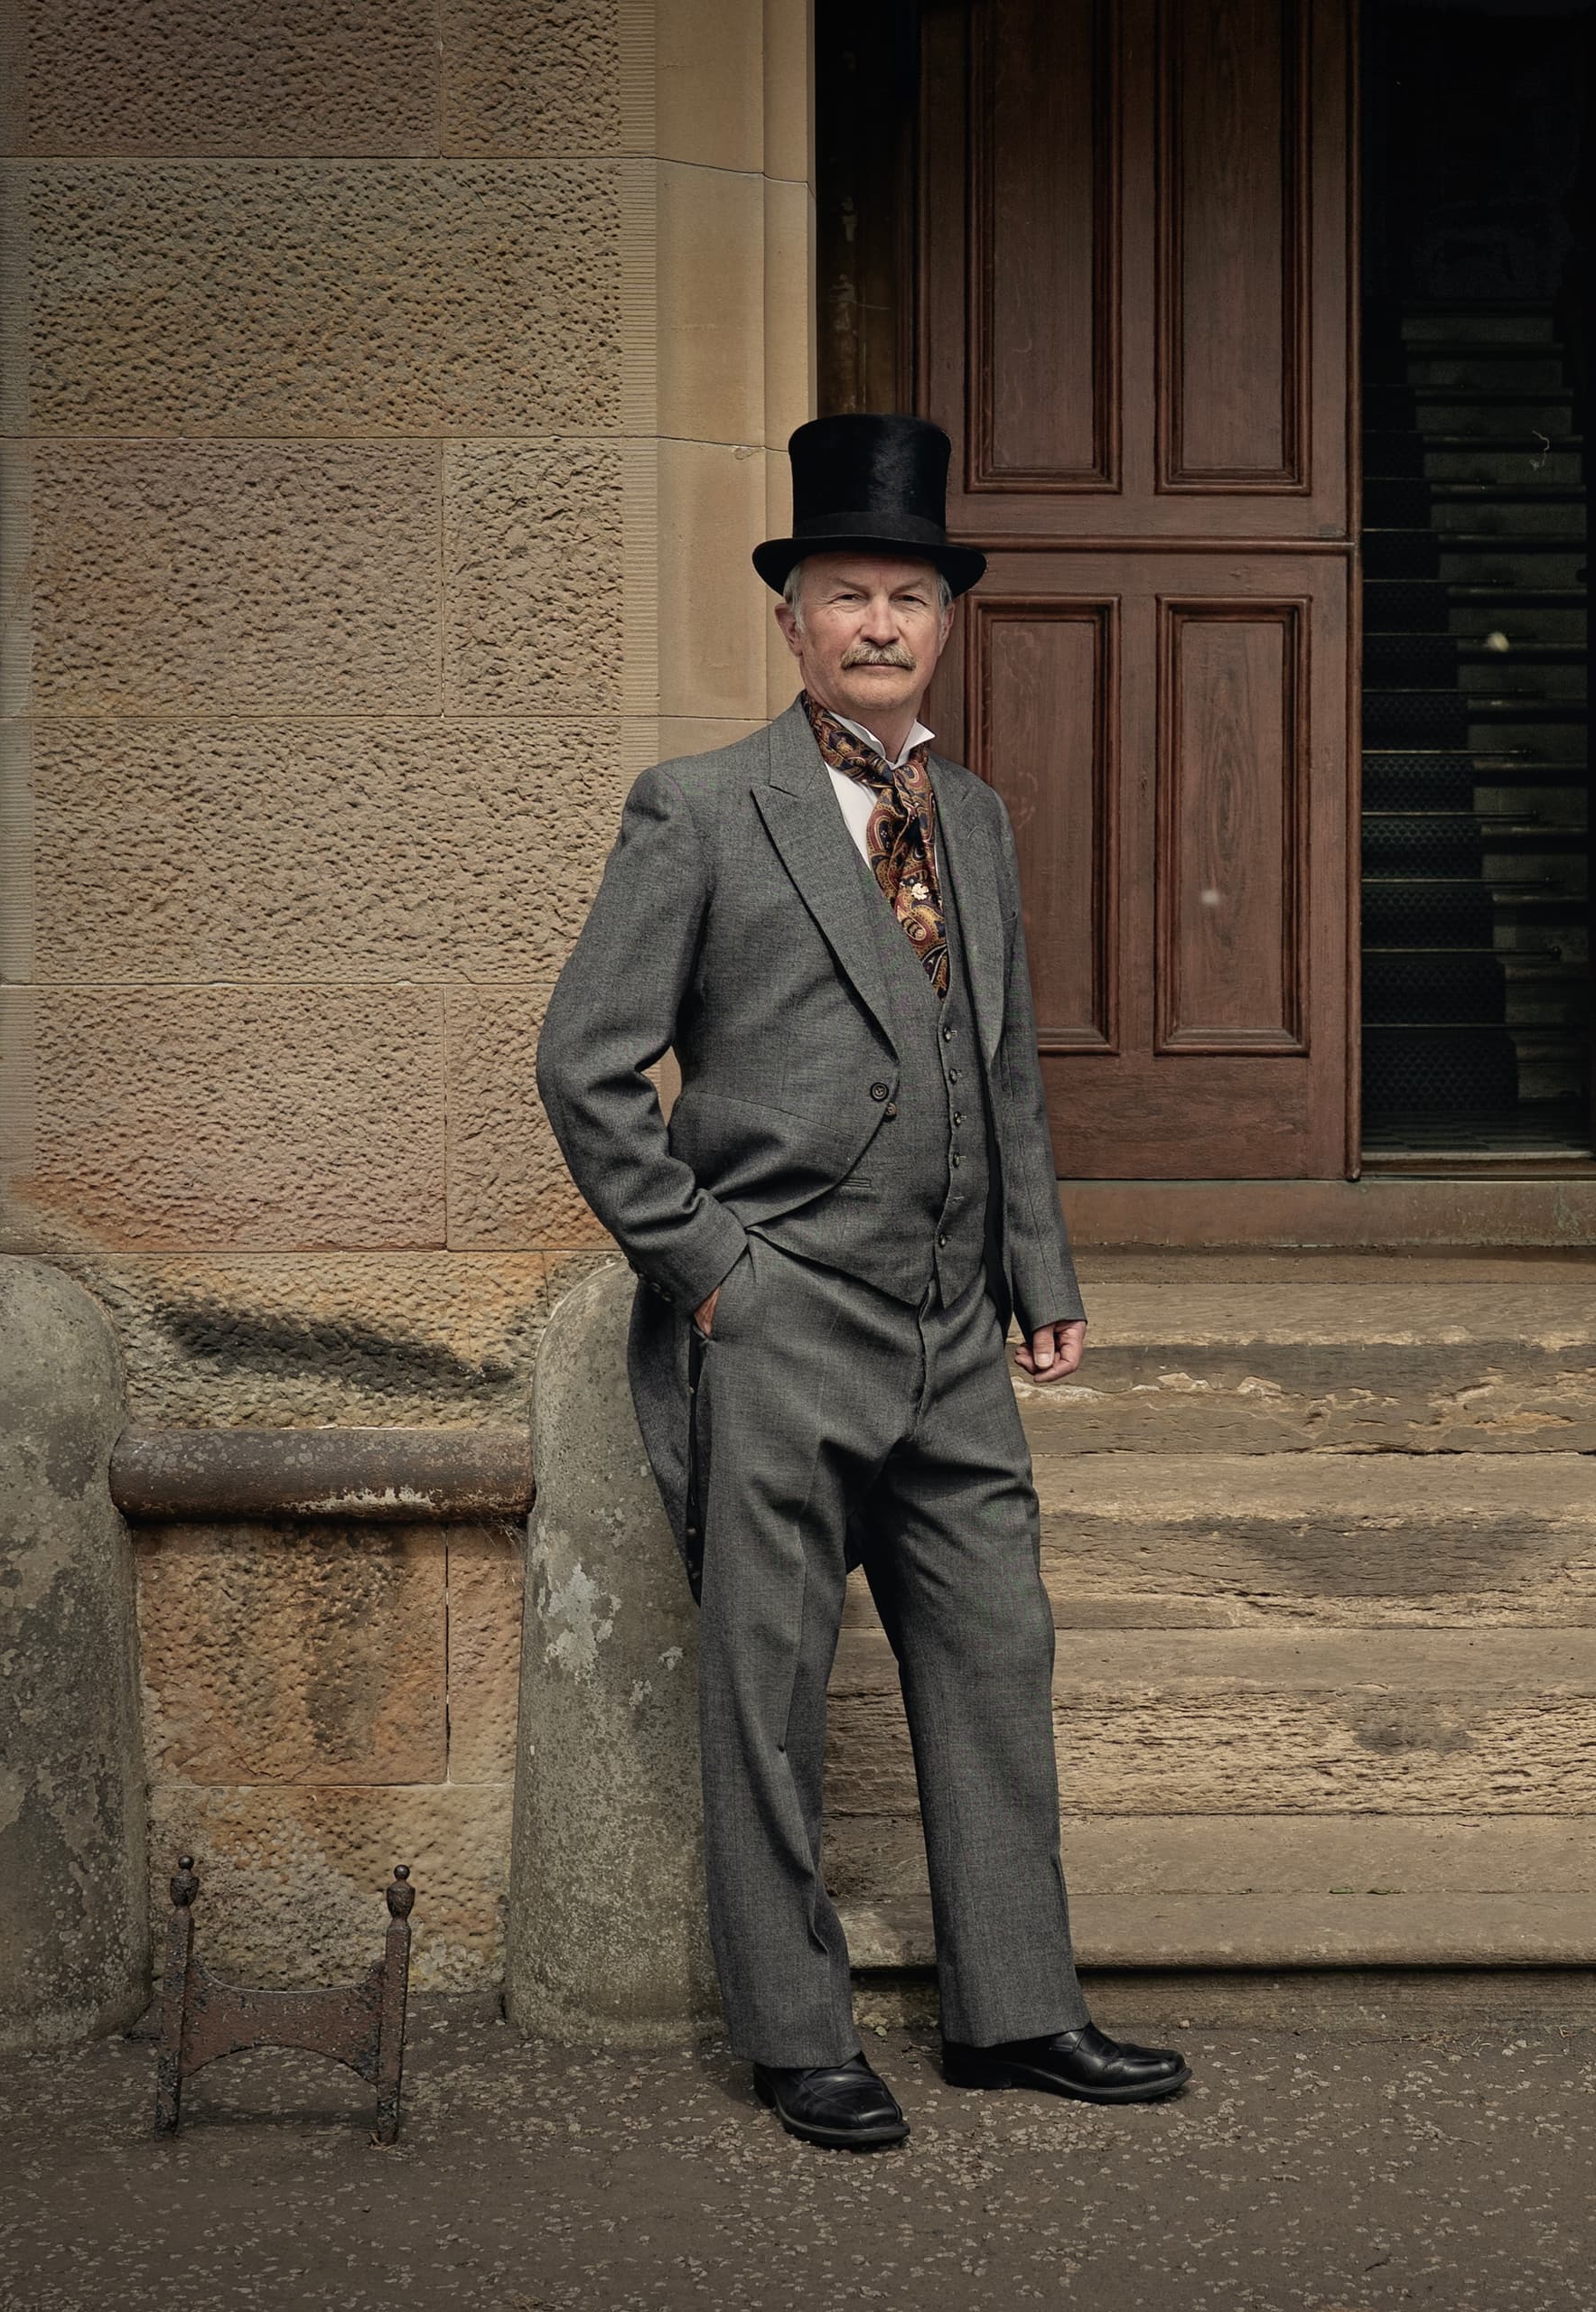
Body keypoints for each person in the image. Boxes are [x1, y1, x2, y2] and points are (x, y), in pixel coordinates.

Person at [536, 412, 1187, 2150]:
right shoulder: (699, 811)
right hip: (780, 1315)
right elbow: (585, 1069)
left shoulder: (967, 817)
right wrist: (712, 1276)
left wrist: (1036, 1268)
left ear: (945, 623)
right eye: (848, 595)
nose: (882, 624)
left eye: (910, 595)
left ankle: (1015, 2009)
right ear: (793, 620)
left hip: (953, 1331)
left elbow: (1003, 1073)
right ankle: (796, 2031)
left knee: (994, 1655)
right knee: (768, 1686)